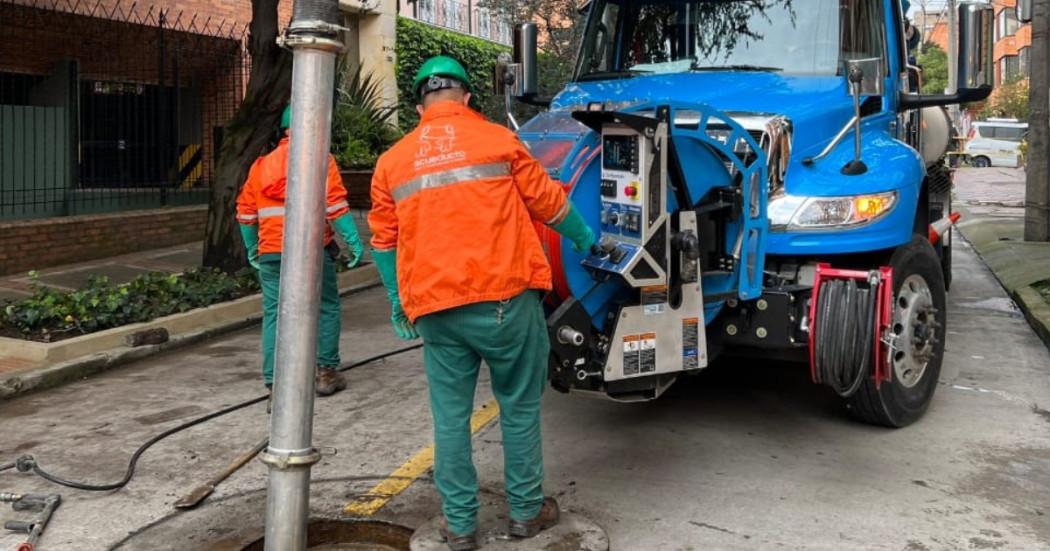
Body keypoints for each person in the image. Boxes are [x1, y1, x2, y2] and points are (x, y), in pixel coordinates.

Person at [367, 56, 595, 551]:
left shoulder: (393, 162)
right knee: (517, 407)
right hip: (505, 303)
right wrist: (585, 239)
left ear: (418, 103)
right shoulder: (498, 140)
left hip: (436, 310)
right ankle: (525, 513)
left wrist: (396, 302)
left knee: (450, 419)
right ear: (468, 97)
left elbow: (383, 242)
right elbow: (549, 203)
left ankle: (460, 524)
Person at [236, 105, 364, 403]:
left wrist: (253, 249)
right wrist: (354, 243)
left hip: (271, 252)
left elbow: (245, 214)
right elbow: (335, 206)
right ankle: (326, 373)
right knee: (326, 306)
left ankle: (274, 382)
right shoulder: (320, 159)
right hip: (312, 251)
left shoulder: (261, 165)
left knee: (275, 314)